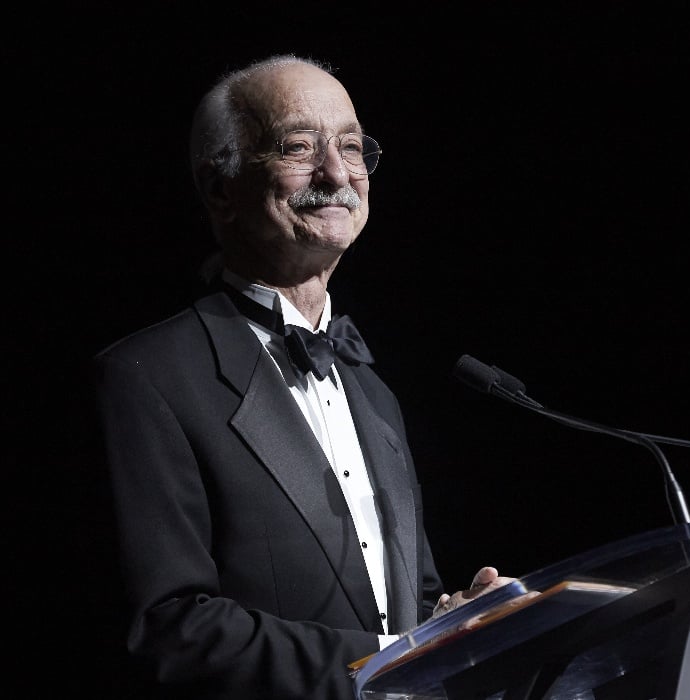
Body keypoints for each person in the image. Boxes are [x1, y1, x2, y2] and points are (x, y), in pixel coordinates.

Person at [92, 54, 511, 700]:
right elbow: (169, 627)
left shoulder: (374, 394)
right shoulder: (146, 379)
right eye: (298, 147)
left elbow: (408, 605)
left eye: (351, 147)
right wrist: (385, 662)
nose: (337, 173)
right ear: (220, 189)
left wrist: (451, 624)